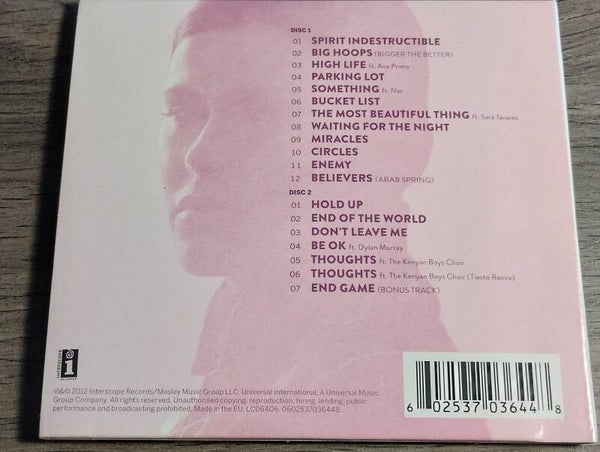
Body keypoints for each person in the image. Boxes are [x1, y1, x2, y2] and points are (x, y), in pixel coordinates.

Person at [160, 0, 488, 440]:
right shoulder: (249, 346)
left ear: (399, 148)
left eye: (257, 113)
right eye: (183, 112)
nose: (199, 154)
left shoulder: (377, 382)